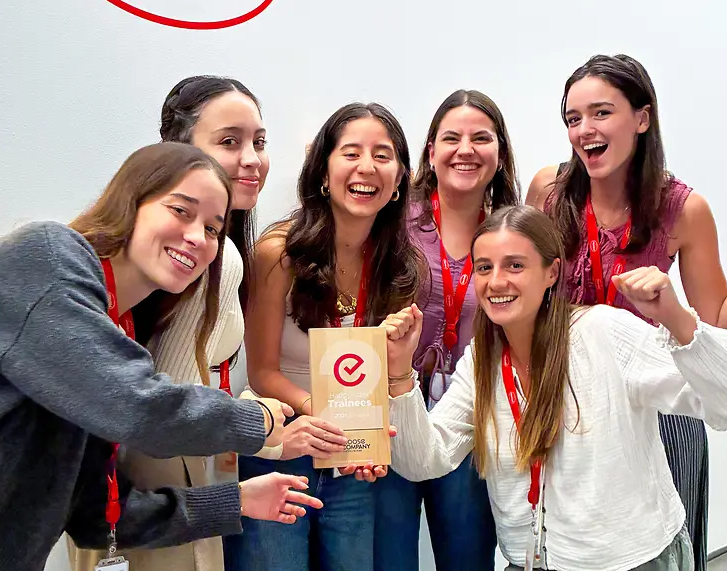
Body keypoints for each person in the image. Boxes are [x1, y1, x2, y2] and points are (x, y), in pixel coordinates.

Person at [0, 142, 318, 571]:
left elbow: (94, 515)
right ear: (131, 201)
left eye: (213, 227)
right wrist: (261, 420)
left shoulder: (116, 326)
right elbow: (140, 407)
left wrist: (238, 501)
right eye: (180, 210)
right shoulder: (47, 258)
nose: (197, 237)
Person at [525, 53, 727, 569]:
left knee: (656, 549)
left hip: (660, 410)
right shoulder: (549, 191)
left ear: (642, 116)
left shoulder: (682, 208)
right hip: (568, 404)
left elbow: (719, 328)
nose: (584, 130)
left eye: (601, 113)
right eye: (573, 118)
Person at [381, 205, 727, 570]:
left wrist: (676, 319)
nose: (496, 281)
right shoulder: (482, 363)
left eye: (515, 265)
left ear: (551, 272)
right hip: (530, 560)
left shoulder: (602, 333)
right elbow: (424, 459)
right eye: (484, 267)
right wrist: (399, 372)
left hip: (630, 561)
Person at [69, 76, 288, 571]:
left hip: (146, 473)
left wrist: (264, 431)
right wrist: (262, 426)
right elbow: (171, 398)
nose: (251, 159)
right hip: (160, 473)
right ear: (177, 152)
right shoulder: (211, 256)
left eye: (259, 141)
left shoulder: (212, 250)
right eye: (229, 142)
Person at [223, 102, 423, 571]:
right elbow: (262, 372)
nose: (367, 167)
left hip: (350, 463)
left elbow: (383, 382)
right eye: (350, 153)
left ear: (399, 181)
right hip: (282, 446)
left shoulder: (401, 268)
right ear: (323, 172)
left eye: (383, 155)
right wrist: (332, 418)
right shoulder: (278, 252)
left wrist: (367, 438)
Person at [373, 90, 519, 571]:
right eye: (451, 138)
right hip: (390, 410)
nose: (466, 149)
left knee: (467, 558)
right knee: (391, 559)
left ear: (500, 154)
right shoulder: (394, 220)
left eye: (481, 138)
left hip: (468, 416)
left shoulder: (508, 232)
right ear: (430, 152)